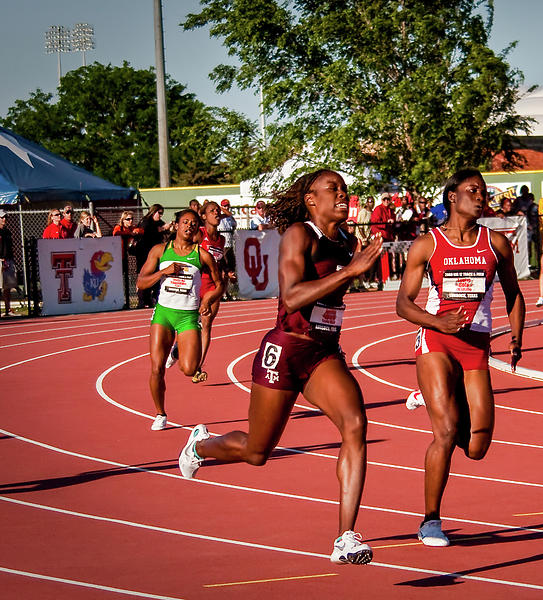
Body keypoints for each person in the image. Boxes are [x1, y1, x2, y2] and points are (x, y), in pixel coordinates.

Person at [178, 170, 382, 565]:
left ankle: (346, 537)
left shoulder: (347, 242)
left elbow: (334, 290)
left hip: (324, 352)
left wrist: (356, 266)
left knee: (355, 424)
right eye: (333, 190)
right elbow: (290, 297)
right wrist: (351, 272)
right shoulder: (299, 236)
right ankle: (200, 445)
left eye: (344, 188)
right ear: (311, 199)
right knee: (257, 452)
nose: (343, 194)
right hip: (287, 348)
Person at [396, 168, 524, 547]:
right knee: (447, 432)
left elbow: (514, 293)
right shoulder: (428, 244)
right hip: (436, 340)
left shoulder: (496, 243)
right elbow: (403, 303)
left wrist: (516, 337)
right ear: (452, 197)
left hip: (476, 347)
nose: (482, 197)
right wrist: (437, 321)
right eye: (474, 191)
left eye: (484, 192)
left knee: (477, 447)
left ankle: (440, 397)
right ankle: (430, 520)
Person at [137, 208, 224, 431]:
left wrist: (207, 300)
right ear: (176, 225)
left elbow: (219, 284)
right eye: (185, 222)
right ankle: (160, 414)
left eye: (194, 223)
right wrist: (162, 272)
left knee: (189, 369)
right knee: (157, 368)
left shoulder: (202, 254)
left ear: (197, 228)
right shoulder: (160, 250)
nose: (189, 226)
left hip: (188, 316)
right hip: (164, 314)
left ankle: (178, 352)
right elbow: (141, 283)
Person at [190, 201, 228, 383]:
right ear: (204, 216)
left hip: (214, 286)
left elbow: (221, 260)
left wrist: (228, 271)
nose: (217, 213)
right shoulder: (199, 234)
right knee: (189, 322)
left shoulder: (221, 239)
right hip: (196, 283)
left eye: (218, 211)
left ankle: (198, 366)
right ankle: (179, 347)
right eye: (212, 211)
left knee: (206, 325)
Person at [134, 205, 170, 309]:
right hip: (144, 254)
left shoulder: (159, 222)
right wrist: (162, 229)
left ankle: (152, 298)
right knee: (145, 276)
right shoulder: (146, 222)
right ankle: (143, 300)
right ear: (153, 212)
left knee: (157, 277)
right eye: (159, 213)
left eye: (161, 213)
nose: (160, 215)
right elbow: (147, 233)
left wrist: (169, 227)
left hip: (156, 255)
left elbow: (164, 229)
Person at [0, 209, 18, 317]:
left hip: (8, 261)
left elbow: (10, 247)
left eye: (5, 217)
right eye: (2, 217)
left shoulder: (7, 231)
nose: (4, 219)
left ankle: (8, 309)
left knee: (7, 287)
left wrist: (10, 259)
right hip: (0, 261)